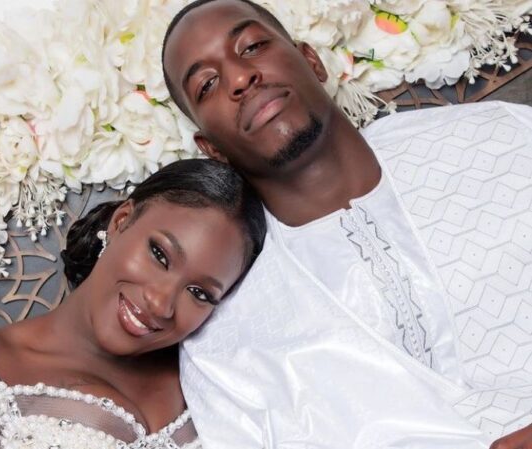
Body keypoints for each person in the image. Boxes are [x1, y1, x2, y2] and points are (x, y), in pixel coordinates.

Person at [161, 0, 532, 448]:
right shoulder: (223, 350)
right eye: (207, 84)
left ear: (313, 61)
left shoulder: (500, 135)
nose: (240, 78)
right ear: (211, 149)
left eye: (253, 46)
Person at [0, 158, 266, 449]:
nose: (161, 304)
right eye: (159, 255)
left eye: (199, 293)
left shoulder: (222, 382)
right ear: (121, 221)